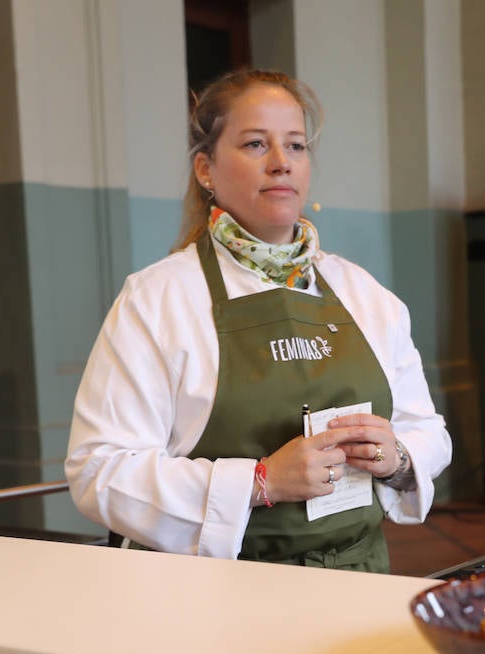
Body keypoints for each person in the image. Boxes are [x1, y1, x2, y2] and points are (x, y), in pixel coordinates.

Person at [66, 70, 451, 574]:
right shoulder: (159, 299)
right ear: (206, 169)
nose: (280, 163)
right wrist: (261, 480)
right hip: (214, 594)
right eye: (255, 144)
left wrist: (397, 457)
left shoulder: (365, 294)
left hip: (358, 581)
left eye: (295, 145)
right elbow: (100, 471)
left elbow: (427, 429)